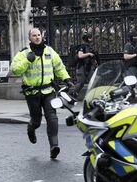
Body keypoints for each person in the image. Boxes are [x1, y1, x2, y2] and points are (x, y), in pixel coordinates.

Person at [10, 28, 73, 159]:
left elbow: (59, 67)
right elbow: (14, 70)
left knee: (52, 118)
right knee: (37, 120)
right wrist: (27, 60)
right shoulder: (24, 53)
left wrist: (67, 79)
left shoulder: (49, 51)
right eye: (34, 35)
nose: (37, 37)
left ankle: (54, 146)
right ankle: (31, 128)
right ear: (30, 38)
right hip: (32, 93)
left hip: (48, 91)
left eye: (39, 35)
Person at [72, 31, 99, 97]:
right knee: (80, 83)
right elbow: (80, 56)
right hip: (82, 67)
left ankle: (93, 96)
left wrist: (96, 63)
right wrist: (89, 54)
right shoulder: (82, 46)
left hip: (90, 67)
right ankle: (72, 95)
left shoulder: (90, 47)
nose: (91, 39)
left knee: (93, 82)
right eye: (89, 37)